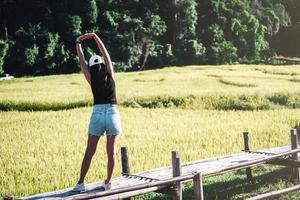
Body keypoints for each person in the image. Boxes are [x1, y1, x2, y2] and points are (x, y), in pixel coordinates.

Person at [73, 33, 122, 192]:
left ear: (92, 68)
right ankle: (108, 183)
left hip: (97, 113)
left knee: (90, 151)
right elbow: (106, 54)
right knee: (111, 152)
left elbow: (82, 62)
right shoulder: (110, 75)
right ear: (102, 64)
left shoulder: (91, 78)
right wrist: (94, 37)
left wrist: (78, 43)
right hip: (112, 112)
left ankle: (80, 183)